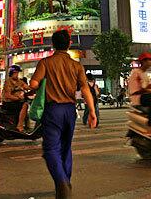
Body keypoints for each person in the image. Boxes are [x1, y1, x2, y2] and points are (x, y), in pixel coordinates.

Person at [30, 30, 97, 199]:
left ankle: (61, 182)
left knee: (51, 149)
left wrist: (35, 86)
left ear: (53, 44)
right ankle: (65, 182)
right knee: (66, 148)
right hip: (70, 111)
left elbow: (34, 83)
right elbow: (85, 90)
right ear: (68, 44)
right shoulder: (76, 66)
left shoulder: (46, 62)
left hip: (53, 111)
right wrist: (92, 112)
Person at [128, 52, 151, 139]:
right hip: (138, 98)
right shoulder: (137, 72)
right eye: (149, 60)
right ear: (143, 61)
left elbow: (150, 87)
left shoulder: (144, 73)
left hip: (143, 96)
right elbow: (145, 87)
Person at [3, 64, 30, 132]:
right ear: (11, 73)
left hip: (17, 102)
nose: (17, 74)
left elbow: (27, 87)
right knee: (25, 105)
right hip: (9, 102)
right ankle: (19, 126)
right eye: (15, 73)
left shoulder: (19, 81)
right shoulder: (8, 82)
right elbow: (7, 96)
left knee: (25, 104)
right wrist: (18, 98)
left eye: (17, 73)